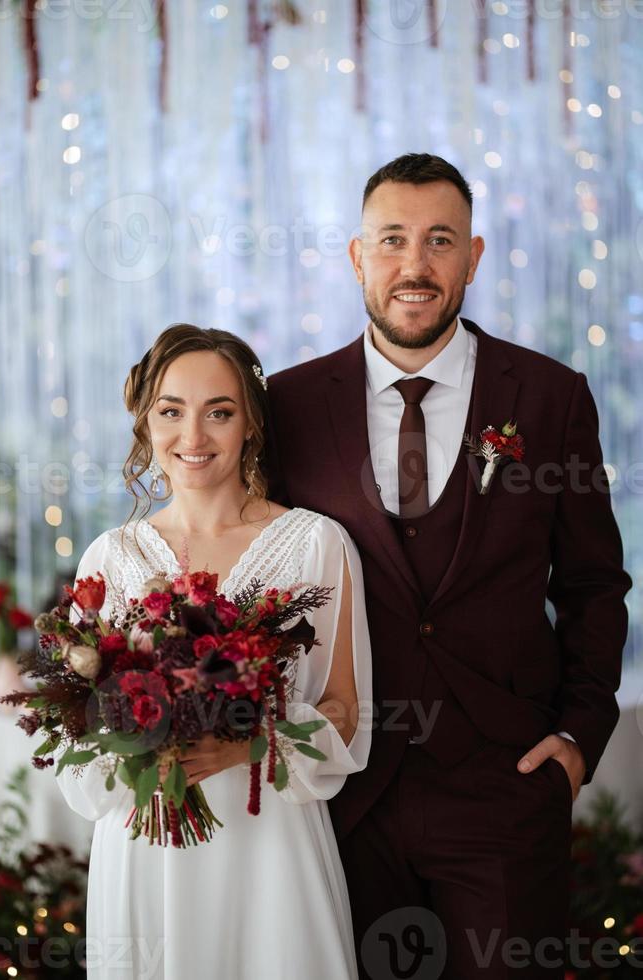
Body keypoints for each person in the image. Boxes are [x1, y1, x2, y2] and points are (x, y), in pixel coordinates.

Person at [266, 153, 632, 979]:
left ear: (472, 257)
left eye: (440, 240)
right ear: (359, 257)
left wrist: (577, 737)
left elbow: (593, 586)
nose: (415, 264)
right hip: (344, 792)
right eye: (392, 239)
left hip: (504, 787)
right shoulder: (286, 405)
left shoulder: (549, 395)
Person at [55, 324, 373, 980]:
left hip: (270, 850)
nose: (193, 437)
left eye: (218, 413)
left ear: (251, 424)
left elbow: (344, 708)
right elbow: (73, 721)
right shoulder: (110, 558)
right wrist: (133, 732)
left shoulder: (318, 545)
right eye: (171, 412)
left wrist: (252, 743)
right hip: (147, 843)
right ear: (147, 422)